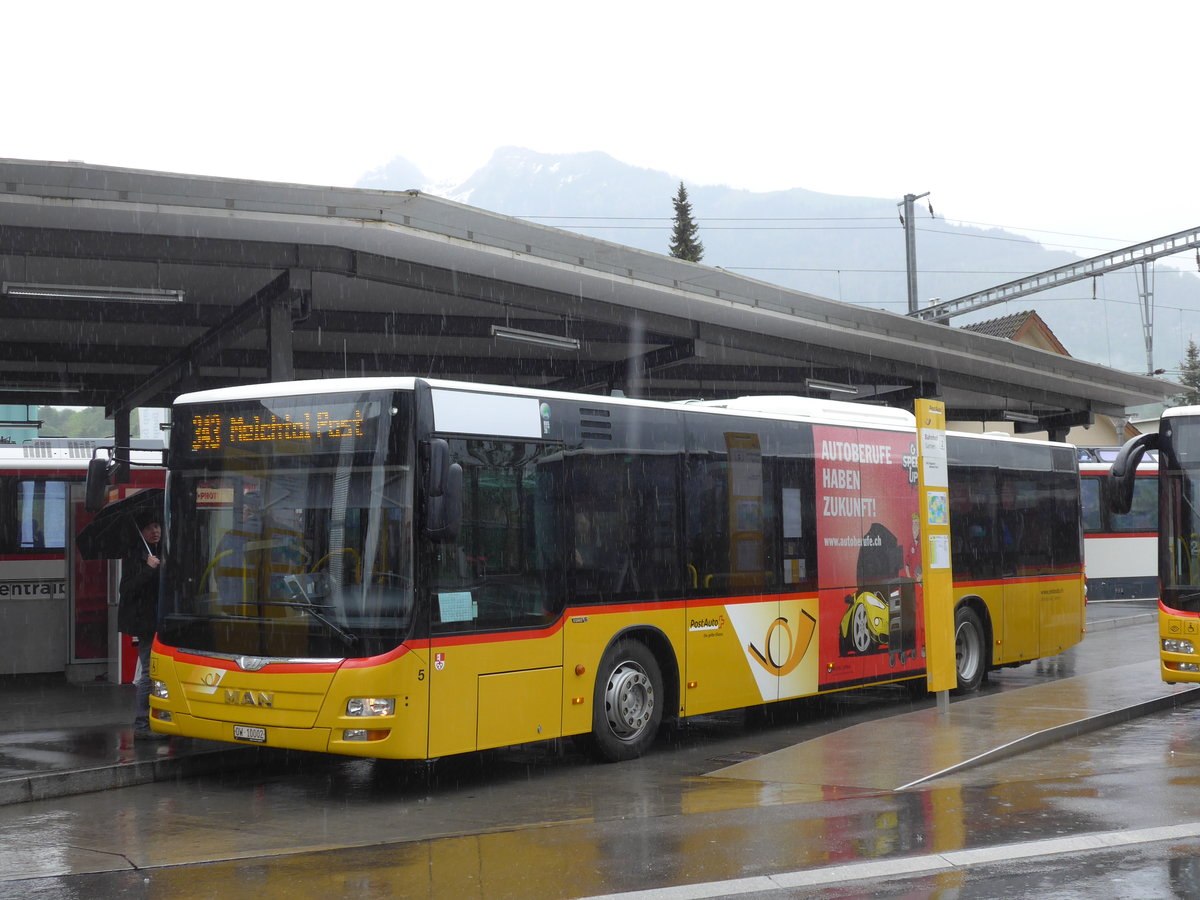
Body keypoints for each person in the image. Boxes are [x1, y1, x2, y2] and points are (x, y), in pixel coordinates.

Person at [118, 514, 167, 740]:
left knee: (162, 672)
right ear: (142, 531)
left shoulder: (164, 551)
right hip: (147, 623)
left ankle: (162, 718)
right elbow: (126, 589)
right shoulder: (136, 555)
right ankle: (141, 723)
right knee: (149, 672)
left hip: (164, 622)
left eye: (157, 525)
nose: (155, 531)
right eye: (149, 527)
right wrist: (148, 569)